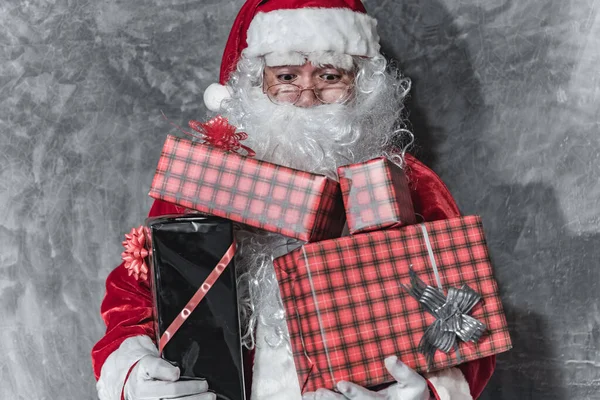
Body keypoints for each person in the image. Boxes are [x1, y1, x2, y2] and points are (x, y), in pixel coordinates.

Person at [91, 1, 496, 399]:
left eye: (329, 76)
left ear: (361, 85)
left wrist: (427, 391)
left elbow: (470, 318)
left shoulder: (409, 185)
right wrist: (133, 372)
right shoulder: (208, 181)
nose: (307, 97)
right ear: (257, 84)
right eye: (286, 77)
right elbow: (134, 300)